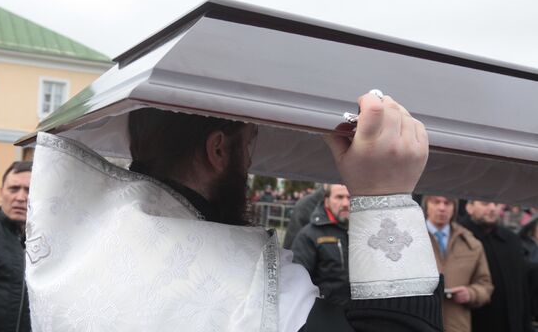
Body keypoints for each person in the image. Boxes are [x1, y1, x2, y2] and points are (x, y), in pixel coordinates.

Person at [26, 92, 443, 331]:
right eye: (250, 145)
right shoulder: (243, 282)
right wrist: (384, 194)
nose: (249, 164)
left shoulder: (79, 255)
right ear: (220, 150)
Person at [423, 195, 493, 332]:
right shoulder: (412, 239)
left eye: (447, 203)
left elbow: (486, 285)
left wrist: (471, 293)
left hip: (457, 325)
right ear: (426, 206)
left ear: (454, 208)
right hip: (420, 322)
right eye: (436, 202)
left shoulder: (470, 243)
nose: (442, 208)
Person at [461, 200, 533, 332]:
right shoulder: (459, 237)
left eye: (496, 203)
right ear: (469, 207)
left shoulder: (511, 239)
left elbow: (522, 289)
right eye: (485, 203)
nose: (492, 208)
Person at [0, 161, 32, 332]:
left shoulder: (51, 239)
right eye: (14, 189)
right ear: (1, 193)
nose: (20, 197)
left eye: (28, 190)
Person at [291, 184, 350, 305]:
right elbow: (297, 281)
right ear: (326, 201)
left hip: (356, 314)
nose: (345, 203)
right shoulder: (309, 235)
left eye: (349, 198)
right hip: (325, 312)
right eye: (339, 197)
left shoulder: (361, 231)